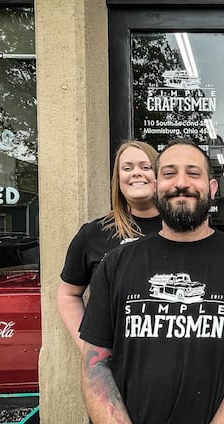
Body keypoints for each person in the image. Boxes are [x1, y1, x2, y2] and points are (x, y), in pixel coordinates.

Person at [79, 139, 224, 423]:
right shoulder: (116, 264)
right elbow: (95, 364)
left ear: (212, 188)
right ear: (156, 186)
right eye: (170, 173)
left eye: (194, 173)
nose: (181, 183)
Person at [57, 140, 161, 349]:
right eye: (127, 168)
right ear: (118, 179)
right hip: (116, 366)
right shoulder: (93, 234)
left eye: (145, 166)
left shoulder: (180, 229)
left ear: (160, 176)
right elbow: (68, 294)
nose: (136, 173)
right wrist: (90, 349)